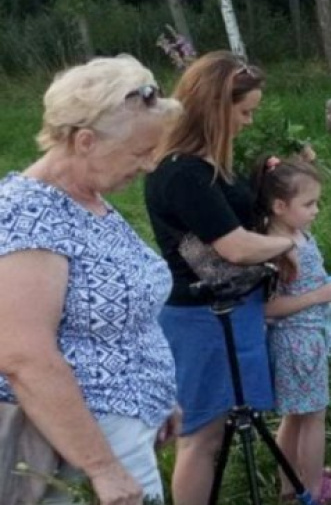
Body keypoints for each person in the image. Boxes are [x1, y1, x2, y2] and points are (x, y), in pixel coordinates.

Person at [0, 56, 181, 505]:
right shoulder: (27, 214)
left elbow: (125, 318)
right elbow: (24, 355)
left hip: (126, 427)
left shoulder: (88, 200)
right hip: (80, 448)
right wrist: (102, 467)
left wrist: (159, 397)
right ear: (85, 141)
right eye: (139, 152)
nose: (149, 165)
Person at [144, 52, 295, 505]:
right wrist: (289, 244)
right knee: (202, 437)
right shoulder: (181, 173)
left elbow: (235, 219)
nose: (249, 122)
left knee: (228, 423)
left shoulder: (208, 163)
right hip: (201, 320)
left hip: (233, 311)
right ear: (214, 107)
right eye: (244, 111)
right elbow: (236, 247)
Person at [255, 158, 331, 501]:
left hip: (303, 339)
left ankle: (292, 483)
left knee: (294, 416)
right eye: (309, 204)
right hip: (298, 343)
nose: (316, 210)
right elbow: (268, 307)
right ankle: (316, 490)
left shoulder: (294, 234)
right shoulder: (277, 248)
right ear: (279, 206)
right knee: (313, 416)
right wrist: (320, 295)